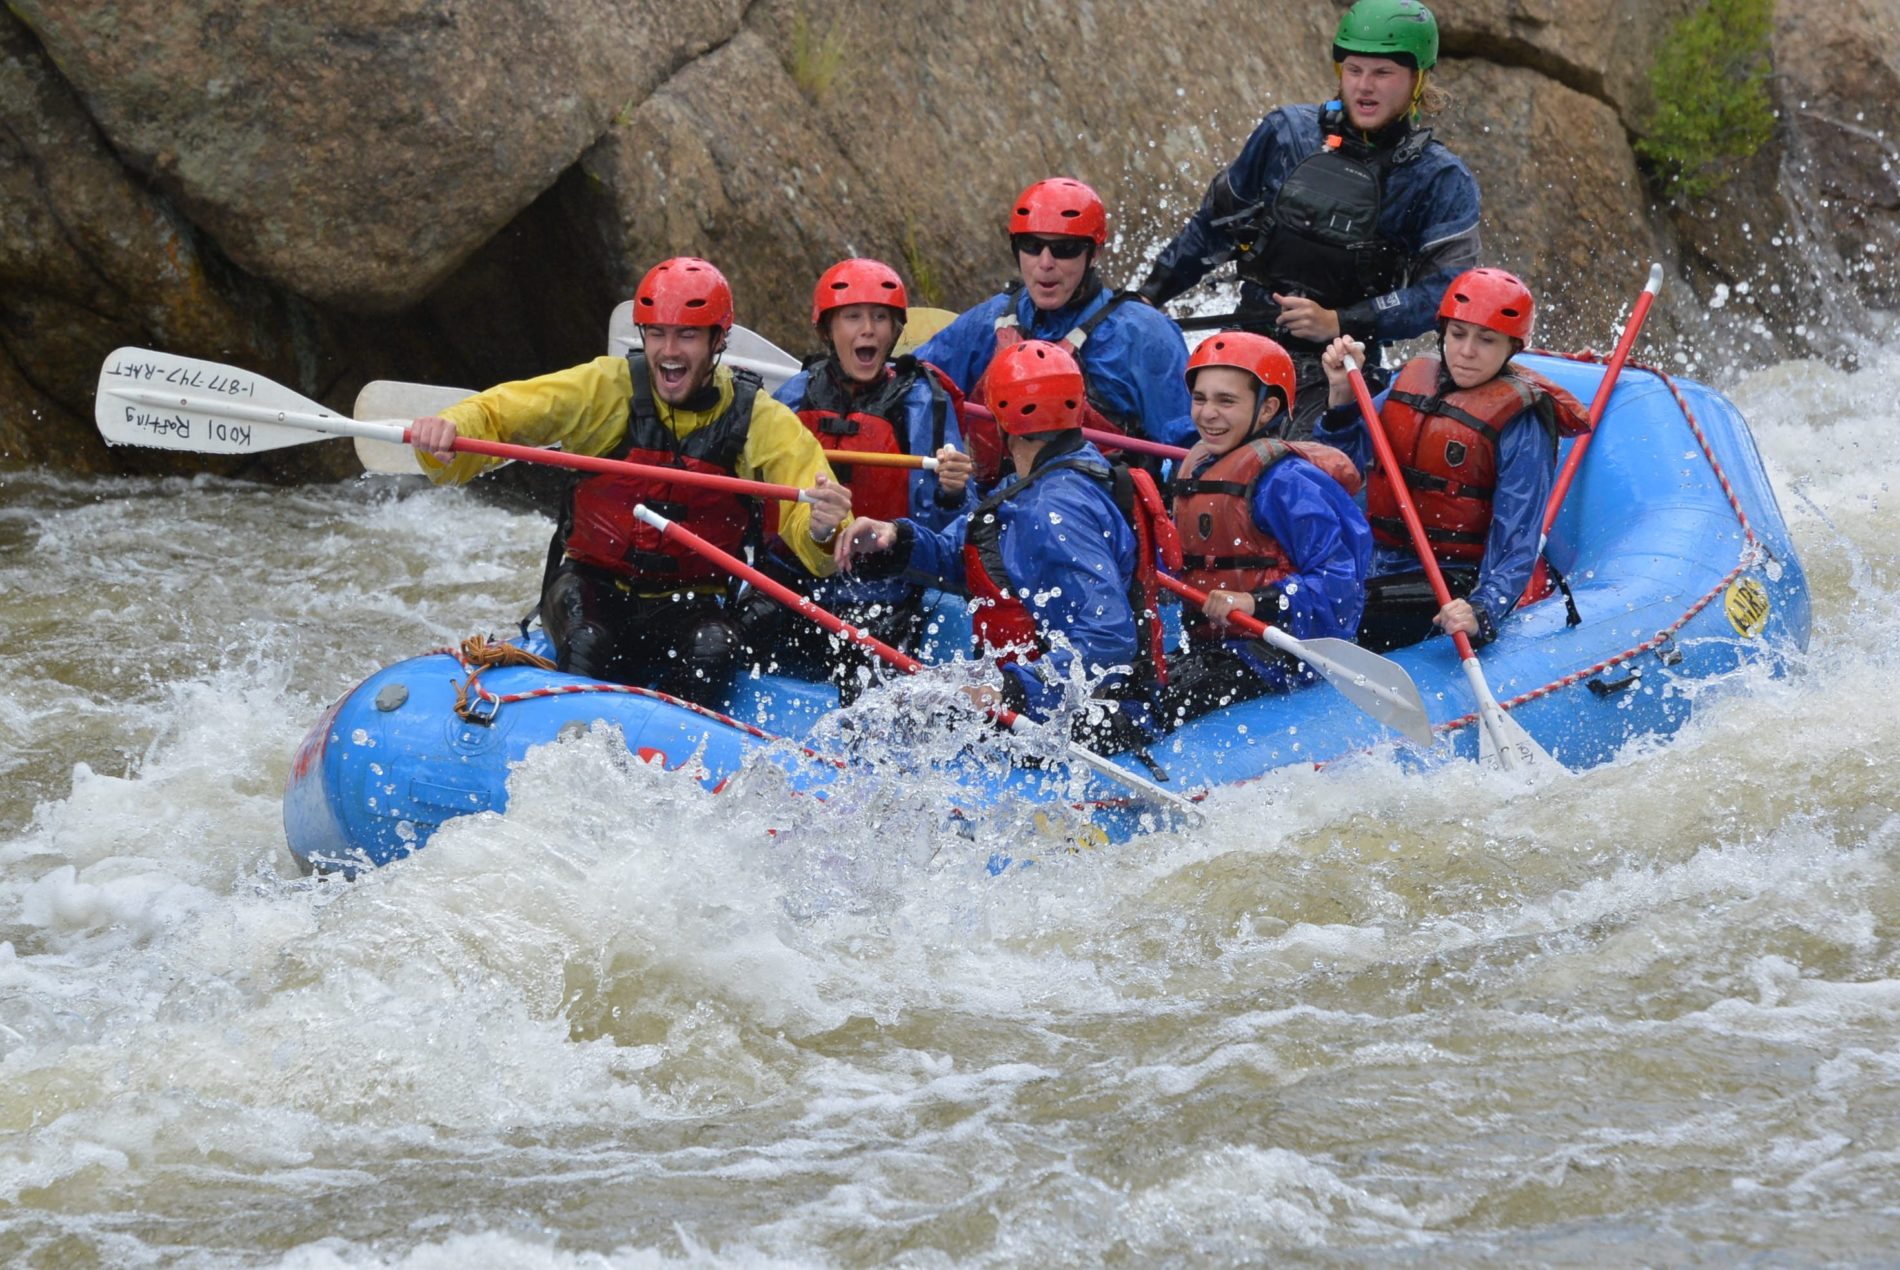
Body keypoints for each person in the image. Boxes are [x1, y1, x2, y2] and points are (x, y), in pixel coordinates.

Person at [408, 256, 852, 706]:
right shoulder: (604, 388)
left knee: (713, 650)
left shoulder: (758, 418)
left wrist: (822, 528)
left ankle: (671, 749)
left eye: (687, 335)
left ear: (718, 340)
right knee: (587, 640)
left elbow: (811, 517)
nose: (670, 351)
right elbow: (497, 413)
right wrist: (448, 429)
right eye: (657, 333)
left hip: (690, 601)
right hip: (590, 586)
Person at [1133, 0, 1481, 440]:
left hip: (1342, 368)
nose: (1364, 86)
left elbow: (1445, 297)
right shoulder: (1287, 134)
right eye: (1354, 70)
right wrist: (1150, 295)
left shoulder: (1440, 179)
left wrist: (1341, 320)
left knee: (1297, 471)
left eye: (1382, 73)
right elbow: (1212, 229)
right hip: (1245, 345)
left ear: (1416, 80)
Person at [832, 339, 1163, 751]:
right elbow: (970, 560)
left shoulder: (1054, 508)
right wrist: (896, 539)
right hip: (1043, 697)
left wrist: (1009, 689)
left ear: (1001, 420)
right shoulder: (1038, 482)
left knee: (888, 726)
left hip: (1092, 713)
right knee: (894, 707)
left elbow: (1108, 640)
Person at [1315, 267, 1586, 651]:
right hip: (1375, 561)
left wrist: (1482, 608)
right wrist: (1341, 396)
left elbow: (1516, 537)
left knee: (1341, 613)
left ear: (1512, 347)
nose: (1467, 351)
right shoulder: (1408, 383)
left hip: (1452, 579)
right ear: (1442, 332)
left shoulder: (1522, 424)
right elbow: (1340, 469)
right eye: (1458, 335)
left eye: (1486, 340)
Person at [742, 258, 975, 700]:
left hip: (881, 593)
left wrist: (953, 490)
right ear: (827, 330)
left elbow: (952, 528)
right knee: (733, 641)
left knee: (868, 687)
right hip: (792, 584)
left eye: (880, 318)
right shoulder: (793, 396)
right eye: (853, 317)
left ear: (893, 331)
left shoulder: (922, 402)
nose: (867, 330)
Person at [915, 177, 1197, 478]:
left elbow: (1191, 453)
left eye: (1065, 249)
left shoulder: (1145, 335)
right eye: (1032, 246)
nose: (1045, 263)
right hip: (992, 511)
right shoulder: (990, 319)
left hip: (1100, 513)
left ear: (1095, 253)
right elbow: (911, 389)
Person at [1157, 332, 1372, 727]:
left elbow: (1342, 588)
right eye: (1200, 398)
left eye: (1226, 401)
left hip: (1283, 655)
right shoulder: (1195, 469)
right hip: (1215, 647)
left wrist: (1256, 602)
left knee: (1165, 705)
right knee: (1133, 686)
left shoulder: (1288, 483)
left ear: (1267, 408)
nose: (1207, 414)